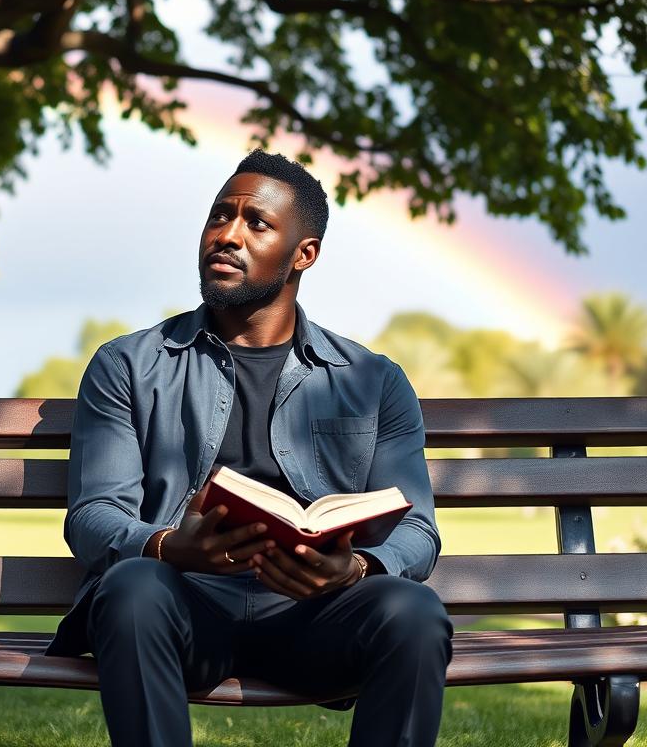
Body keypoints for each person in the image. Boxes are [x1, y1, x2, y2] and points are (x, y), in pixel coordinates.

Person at [44, 149, 453, 746]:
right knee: (132, 589)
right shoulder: (127, 366)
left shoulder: (373, 380)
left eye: (255, 223)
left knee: (415, 614)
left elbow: (418, 528)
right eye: (218, 217)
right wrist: (165, 545)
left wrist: (357, 568)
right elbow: (93, 516)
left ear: (303, 255)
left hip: (316, 615)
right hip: (183, 606)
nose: (226, 236)